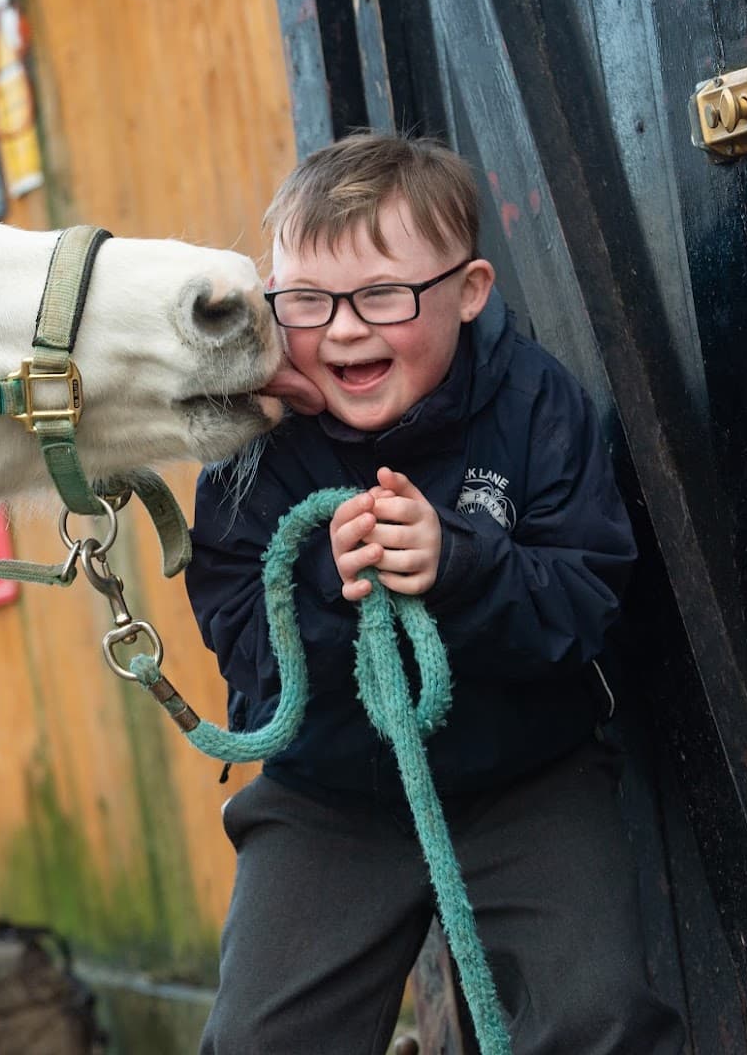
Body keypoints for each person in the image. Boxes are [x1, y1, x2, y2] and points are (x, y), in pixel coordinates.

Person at [186, 133, 686, 1054]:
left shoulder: (536, 404)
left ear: (470, 290)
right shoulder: (251, 448)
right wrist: (327, 591)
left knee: (600, 1016)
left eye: (383, 294)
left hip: (525, 776)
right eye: (307, 301)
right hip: (328, 793)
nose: (344, 330)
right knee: (259, 1039)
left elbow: (583, 603)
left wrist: (461, 566)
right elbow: (247, 652)